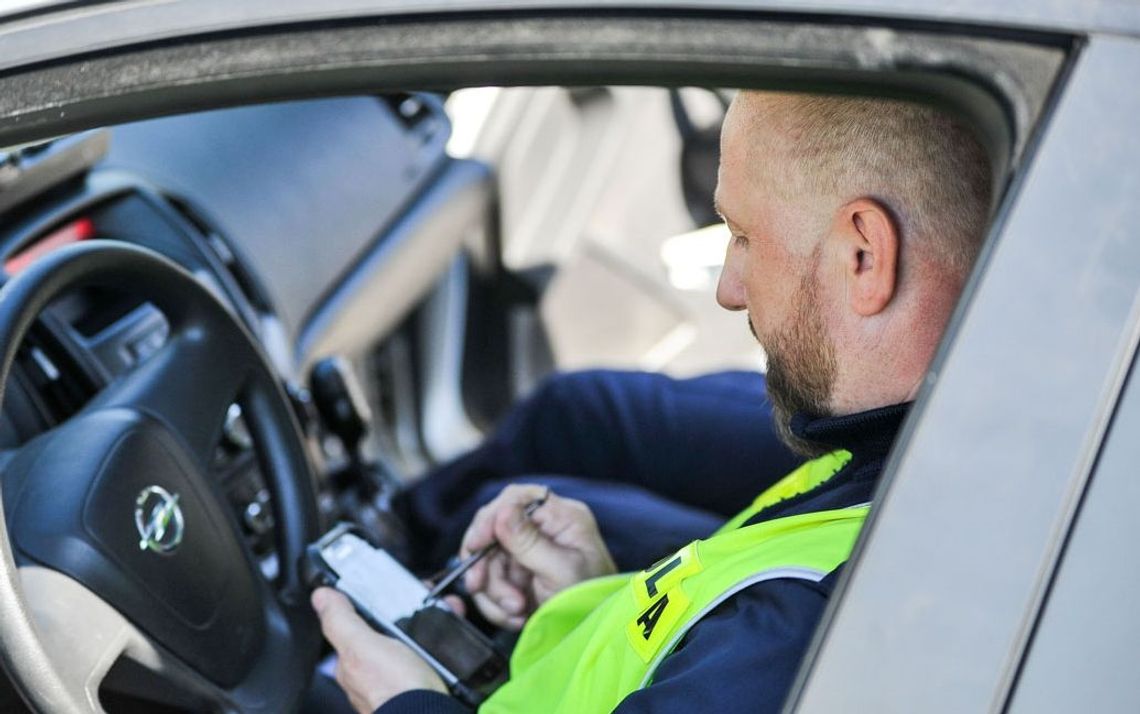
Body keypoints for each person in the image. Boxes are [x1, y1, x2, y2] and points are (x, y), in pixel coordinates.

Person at [310, 89, 992, 713]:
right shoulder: (880, 458)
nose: (729, 287)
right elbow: (678, 632)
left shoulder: (790, 637)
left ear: (864, 257)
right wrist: (585, 598)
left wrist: (404, 704)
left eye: (746, 237)